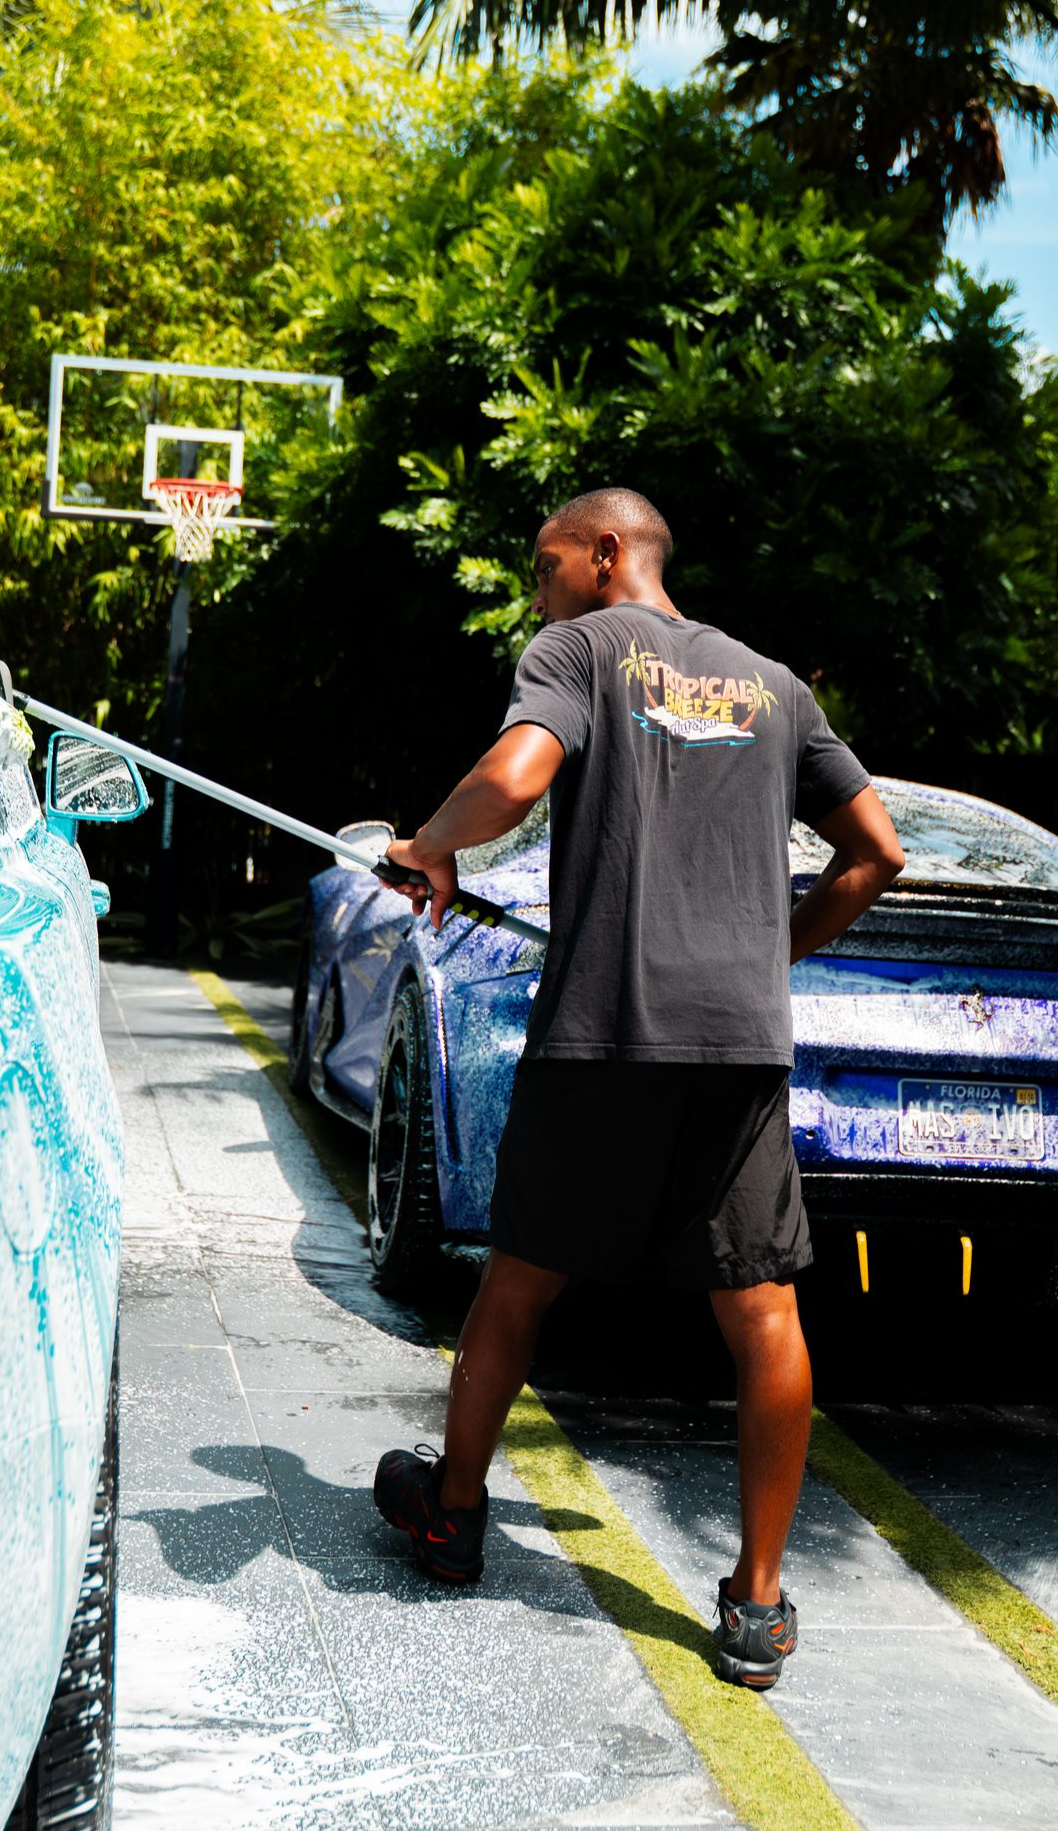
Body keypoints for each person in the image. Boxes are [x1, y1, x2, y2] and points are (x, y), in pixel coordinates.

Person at [371, 488, 904, 1686]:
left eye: (547, 563)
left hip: (604, 1030)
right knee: (762, 1313)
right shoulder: (774, 683)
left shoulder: (582, 648)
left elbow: (513, 779)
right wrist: (770, 953)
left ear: (607, 555)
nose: (539, 588)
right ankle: (758, 1606)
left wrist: (427, 848)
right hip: (737, 1041)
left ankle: (453, 1517)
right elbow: (877, 851)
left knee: (516, 1287)